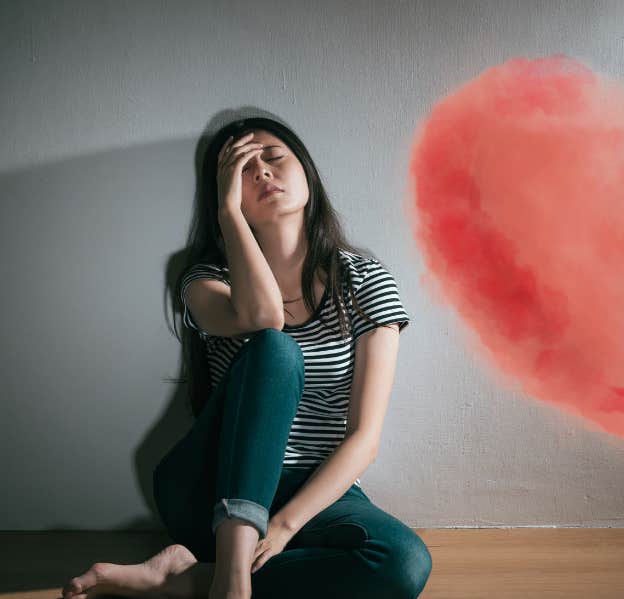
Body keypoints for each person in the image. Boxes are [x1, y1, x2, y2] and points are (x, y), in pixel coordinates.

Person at [61, 116, 432, 599]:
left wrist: (283, 526)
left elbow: (364, 438)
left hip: (310, 488)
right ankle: (232, 576)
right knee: (276, 349)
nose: (261, 173)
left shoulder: (362, 280)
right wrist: (230, 216)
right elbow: (265, 317)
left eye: (274, 158)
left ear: (307, 172)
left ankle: (189, 578)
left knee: (402, 563)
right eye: (241, 169)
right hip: (208, 485)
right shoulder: (204, 280)